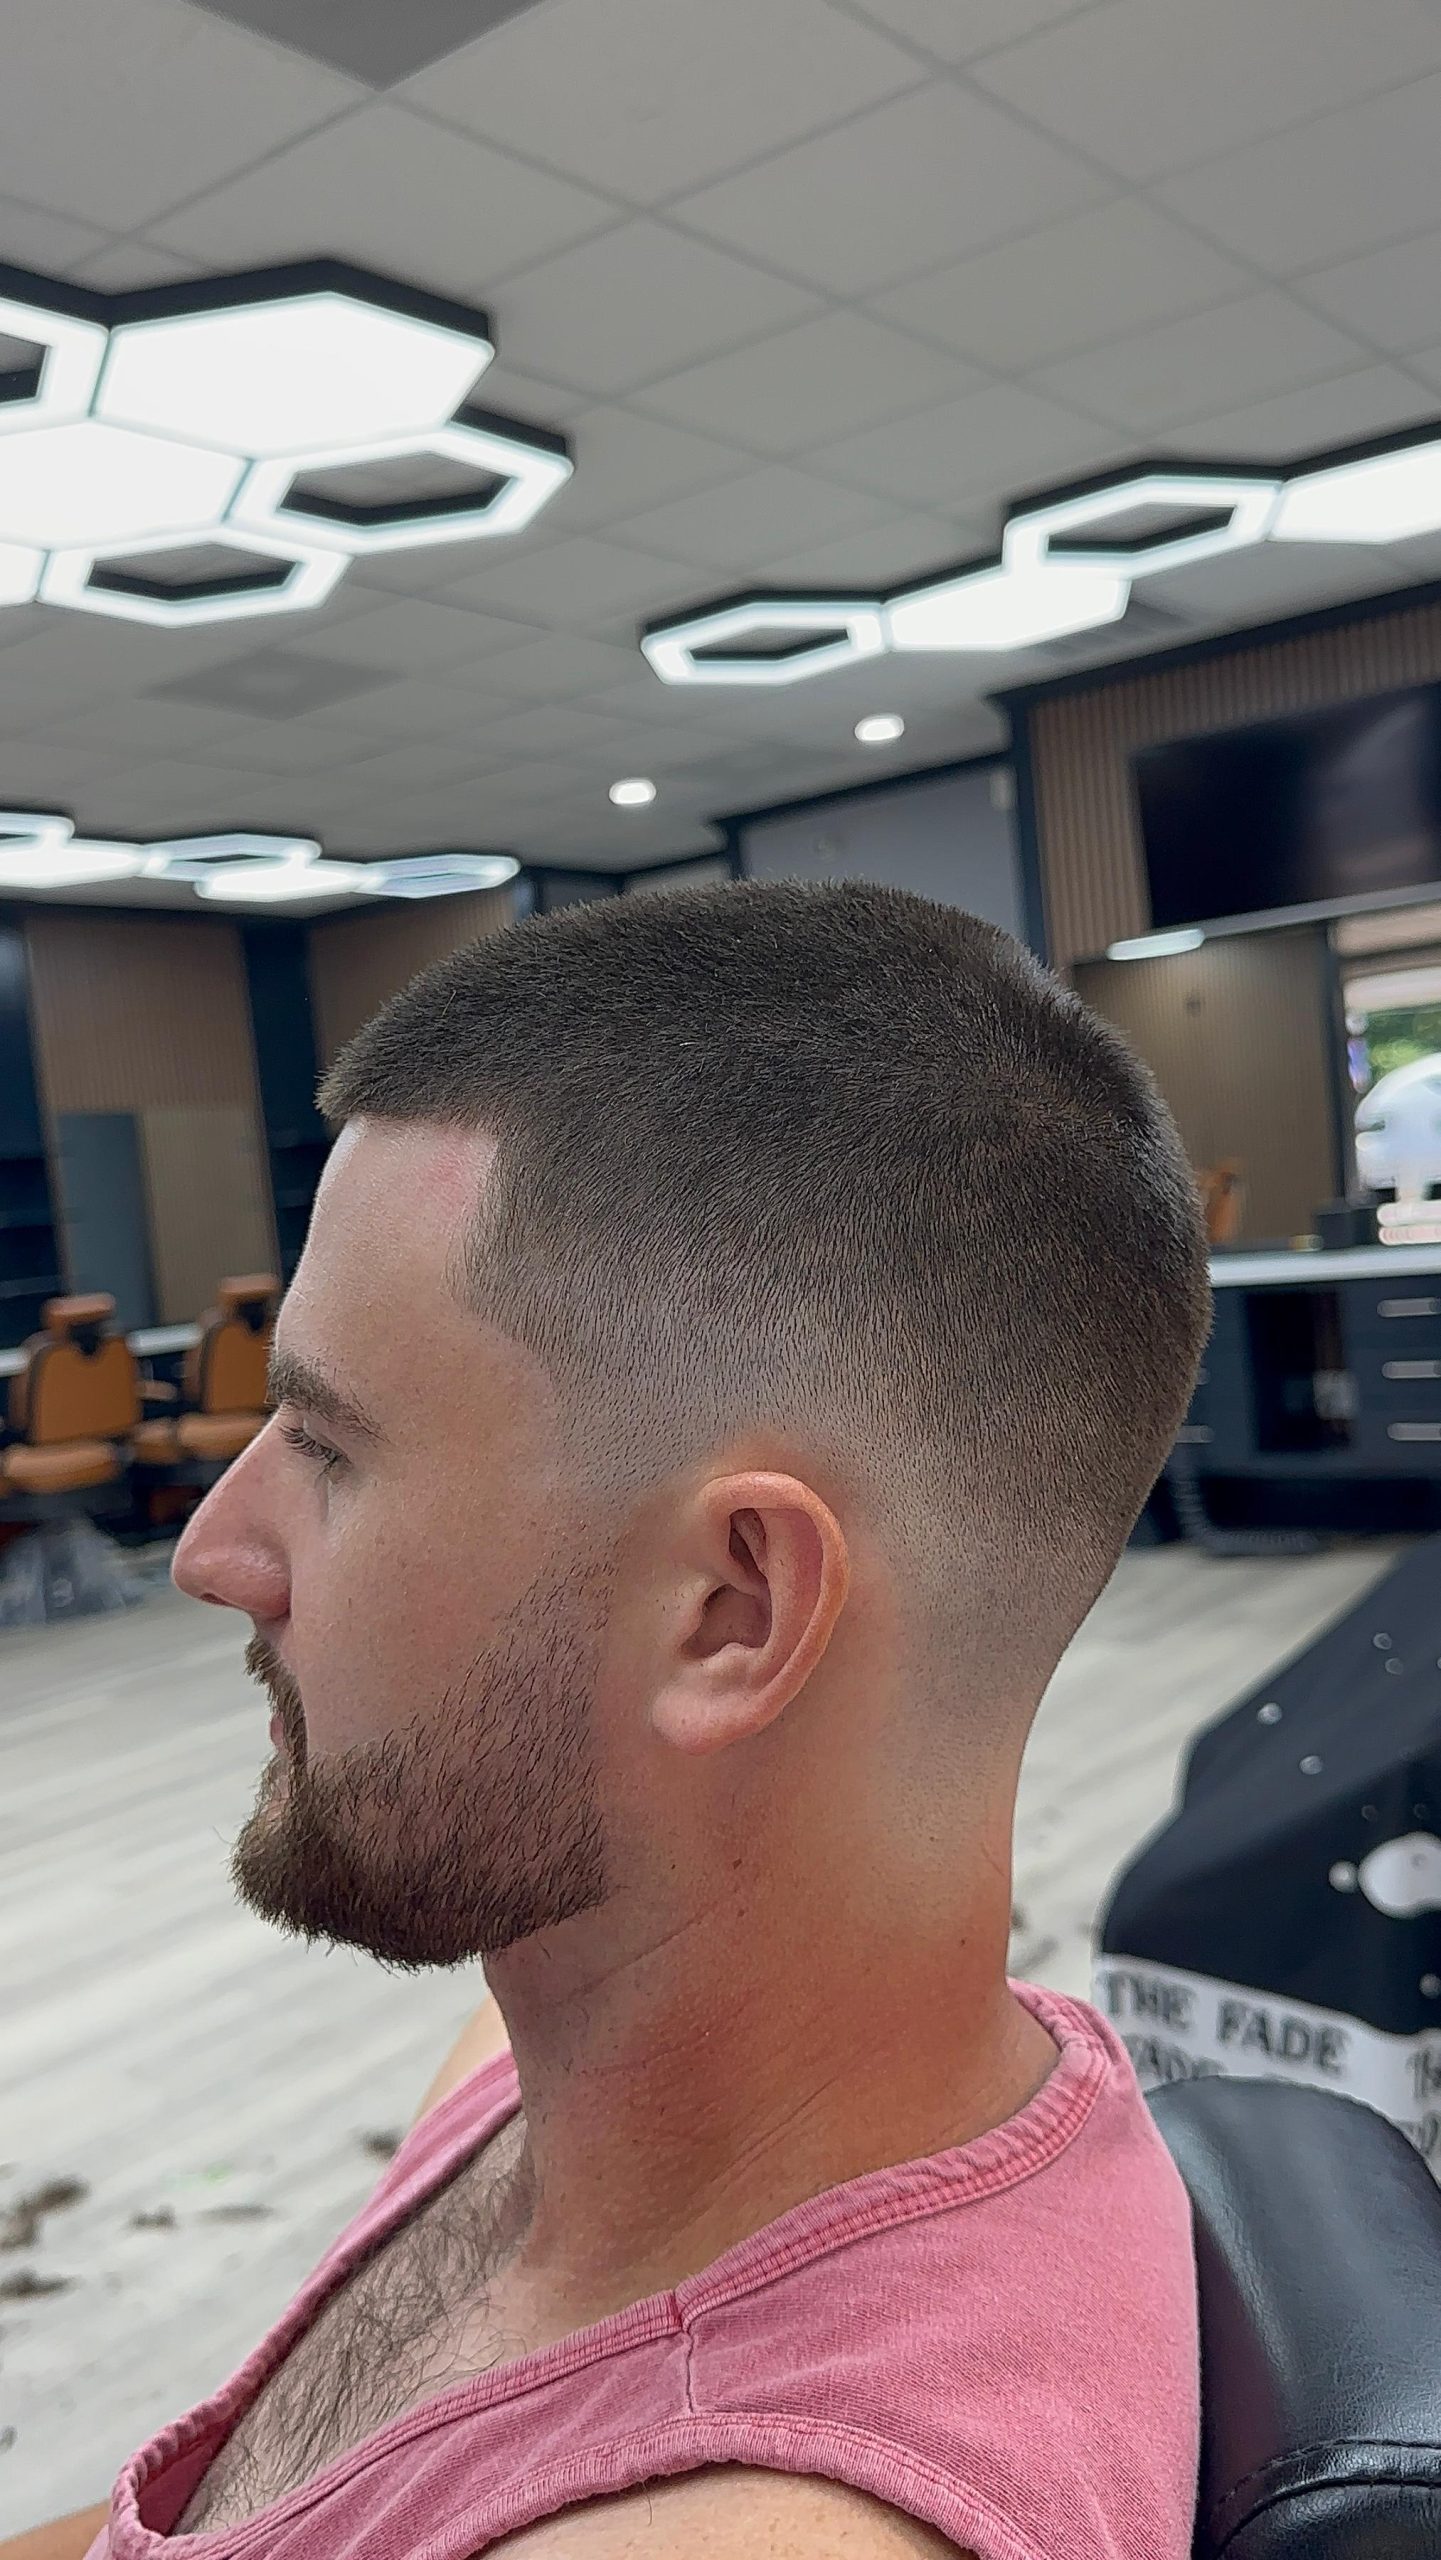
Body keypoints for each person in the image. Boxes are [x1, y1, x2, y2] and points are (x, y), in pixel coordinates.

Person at [34, 880, 1209, 2560]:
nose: (215, 1556)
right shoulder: (604, 2064)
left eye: (330, 1448)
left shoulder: (755, 2525)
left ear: (729, 1610)